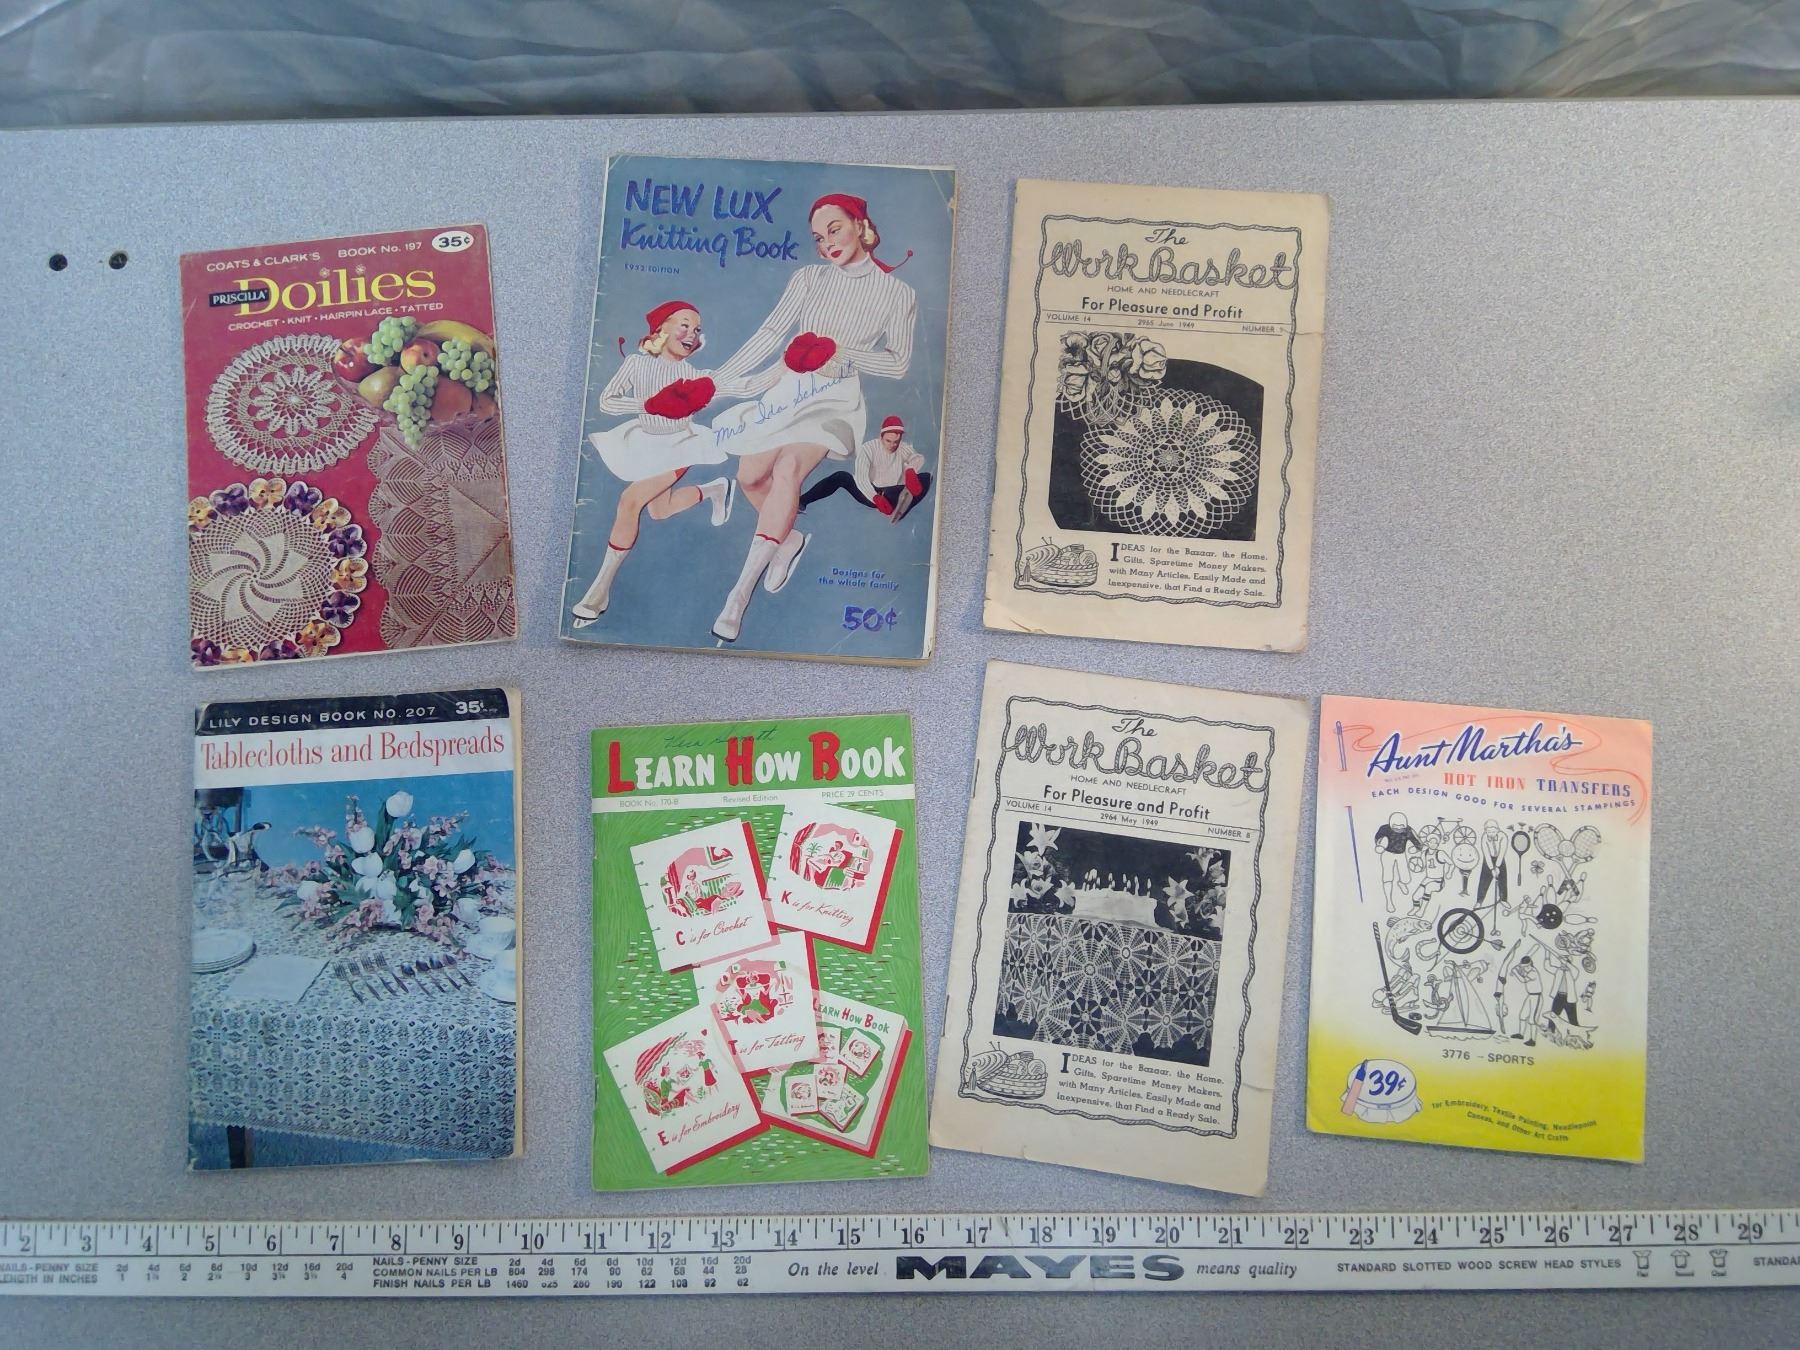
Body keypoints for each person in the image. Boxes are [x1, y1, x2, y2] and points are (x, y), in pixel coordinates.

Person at [705, 192, 918, 642]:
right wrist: (721, 378)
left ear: (860, 225)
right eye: (819, 238)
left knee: (788, 471)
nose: (827, 243)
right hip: (787, 388)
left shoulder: (898, 293)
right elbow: (770, 332)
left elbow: (898, 363)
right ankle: (787, 540)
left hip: (833, 398)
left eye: (834, 230)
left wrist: (843, 352)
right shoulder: (808, 278)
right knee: (750, 477)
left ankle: (738, 596)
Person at [569, 301, 775, 626]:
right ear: (661, 328)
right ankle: (713, 490)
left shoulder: (695, 376)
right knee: (660, 510)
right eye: (684, 325)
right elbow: (607, 402)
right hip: (643, 442)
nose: (692, 333)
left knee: (629, 501)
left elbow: (745, 385)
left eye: (697, 329)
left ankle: (599, 590)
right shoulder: (636, 364)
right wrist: (649, 404)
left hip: (680, 446)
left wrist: (786, 366)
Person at [799, 414, 933, 519]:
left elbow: (918, 458)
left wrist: (910, 470)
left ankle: (904, 505)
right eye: (888, 441)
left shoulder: (902, 448)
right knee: (841, 476)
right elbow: (861, 479)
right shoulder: (868, 448)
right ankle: (801, 502)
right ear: (881, 437)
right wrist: (875, 497)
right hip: (872, 493)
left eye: (896, 442)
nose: (892, 445)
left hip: (895, 491)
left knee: (927, 477)